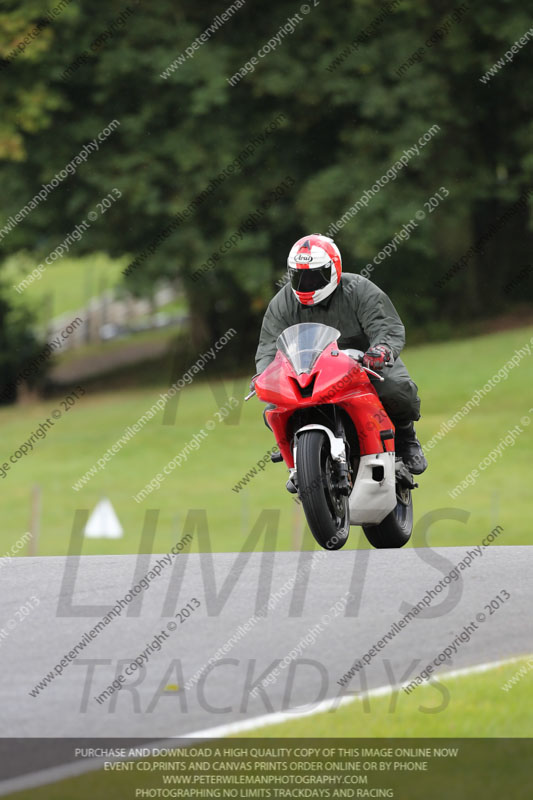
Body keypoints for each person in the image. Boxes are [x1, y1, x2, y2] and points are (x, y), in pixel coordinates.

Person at [254, 233, 428, 476]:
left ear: (333, 269)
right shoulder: (281, 302)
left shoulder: (359, 289)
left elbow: (385, 326)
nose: (306, 282)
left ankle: (406, 438)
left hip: (364, 364)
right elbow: (268, 347)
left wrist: (381, 350)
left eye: (314, 275)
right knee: (274, 407)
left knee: (397, 390)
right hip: (306, 369)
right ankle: (295, 452)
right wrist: (264, 374)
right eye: (298, 275)